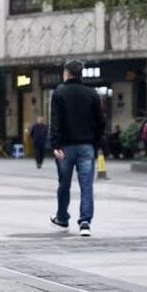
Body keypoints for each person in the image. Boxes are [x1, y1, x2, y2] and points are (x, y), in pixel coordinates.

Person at [49, 59, 105, 237]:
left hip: (66, 147)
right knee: (86, 185)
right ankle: (85, 222)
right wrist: (94, 143)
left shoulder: (59, 93)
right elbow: (101, 123)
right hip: (86, 147)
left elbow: (55, 122)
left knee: (64, 184)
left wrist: (55, 144)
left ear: (67, 73)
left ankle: (62, 217)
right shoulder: (92, 94)